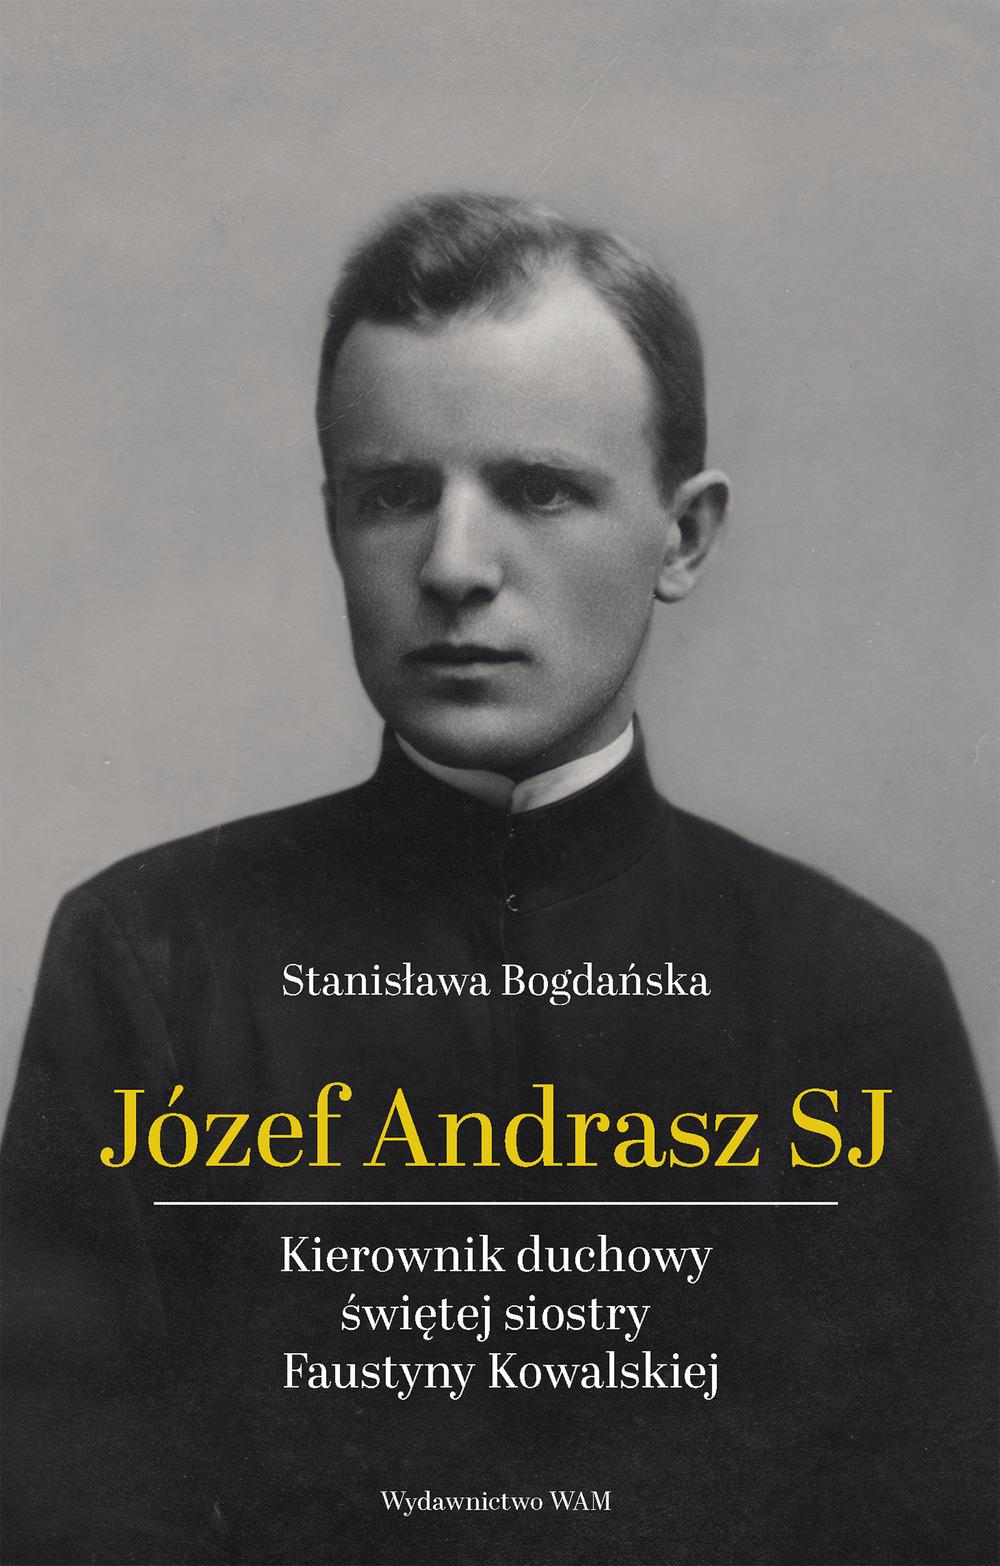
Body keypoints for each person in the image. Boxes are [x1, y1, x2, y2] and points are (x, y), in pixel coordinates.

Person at [2, 192, 996, 1566]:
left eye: (538, 490)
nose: (454, 567)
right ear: (334, 522)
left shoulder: (856, 994)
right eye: (394, 494)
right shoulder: (149, 958)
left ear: (685, 537)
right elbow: (67, 1502)